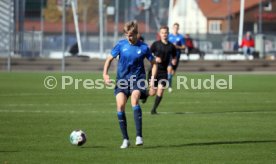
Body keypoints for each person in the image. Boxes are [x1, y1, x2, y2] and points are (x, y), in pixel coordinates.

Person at [103, 21, 157, 149]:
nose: (129, 37)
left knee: (134, 99)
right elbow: (108, 59)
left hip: (137, 80)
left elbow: (154, 63)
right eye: (127, 34)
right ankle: (125, 139)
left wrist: (152, 79)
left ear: (137, 34)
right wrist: (105, 74)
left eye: (131, 35)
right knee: (120, 106)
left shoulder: (143, 47)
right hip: (122, 81)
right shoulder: (121, 45)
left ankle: (139, 136)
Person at [148, 25, 177, 114]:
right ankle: (145, 96)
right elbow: (148, 55)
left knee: (160, 90)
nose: (164, 34)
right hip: (154, 71)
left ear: (168, 34)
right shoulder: (155, 44)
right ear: (160, 34)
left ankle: (154, 109)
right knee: (152, 93)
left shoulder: (171, 46)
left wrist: (172, 65)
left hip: (164, 72)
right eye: (162, 33)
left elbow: (174, 57)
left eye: (166, 33)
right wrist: (155, 58)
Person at [167, 23, 185, 92]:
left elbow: (183, 47)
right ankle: (169, 86)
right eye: (174, 27)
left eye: (177, 28)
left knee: (173, 72)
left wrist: (177, 46)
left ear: (178, 28)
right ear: (173, 28)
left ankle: (169, 78)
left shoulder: (181, 37)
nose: (176, 29)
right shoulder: (169, 36)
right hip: (170, 55)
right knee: (169, 69)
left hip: (177, 55)